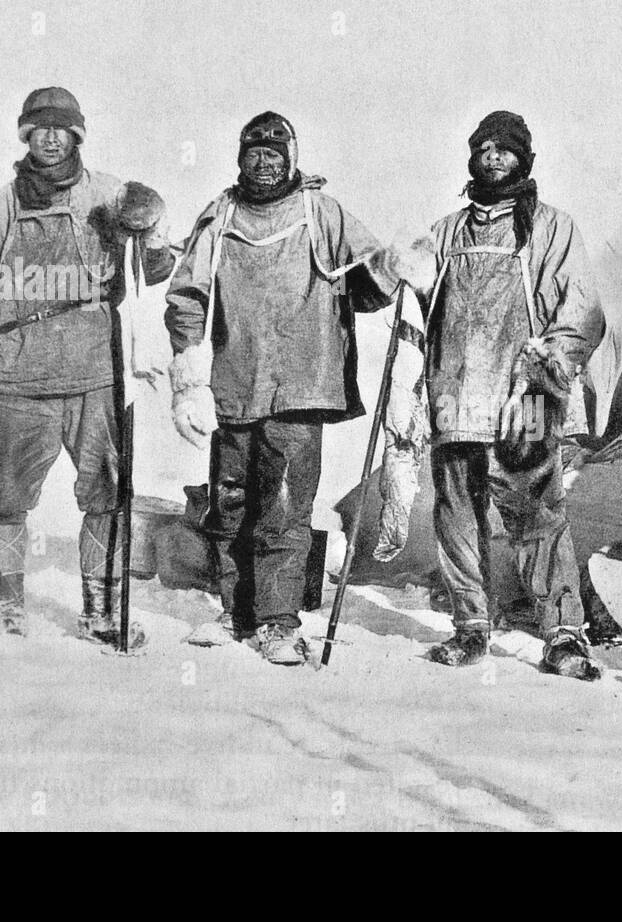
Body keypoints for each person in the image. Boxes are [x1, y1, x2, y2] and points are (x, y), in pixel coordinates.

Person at [165, 111, 395, 666]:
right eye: (253, 153)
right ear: (240, 159)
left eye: (274, 153)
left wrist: (394, 269)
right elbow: (187, 295)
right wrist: (190, 369)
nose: (263, 163)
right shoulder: (220, 217)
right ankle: (235, 610)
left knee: (285, 506)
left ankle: (277, 621)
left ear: (290, 159)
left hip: (301, 381)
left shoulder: (321, 212)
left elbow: (367, 284)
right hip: (235, 381)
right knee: (230, 500)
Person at [0, 87, 173, 645]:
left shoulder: (107, 195)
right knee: (3, 497)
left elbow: (159, 264)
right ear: (26, 136)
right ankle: (5, 605)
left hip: (95, 376)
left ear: (77, 135)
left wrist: (151, 220)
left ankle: (101, 610)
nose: (50, 138)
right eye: (39, 129)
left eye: (61, 129)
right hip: (17, 377)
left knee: (105, 496)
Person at [389, 110, 606, 680]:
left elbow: (582, 311)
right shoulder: (445, 231)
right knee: (457, 514)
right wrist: (404, 274)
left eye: (504, 149)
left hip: (525, 401)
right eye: (483, 147)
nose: (492, 156)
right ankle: (470, 628)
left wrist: (542, 372)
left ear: (523, 159)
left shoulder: (552, 228)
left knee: (538, 515)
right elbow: (416, 312)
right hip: (455, 396)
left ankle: (562, 635)